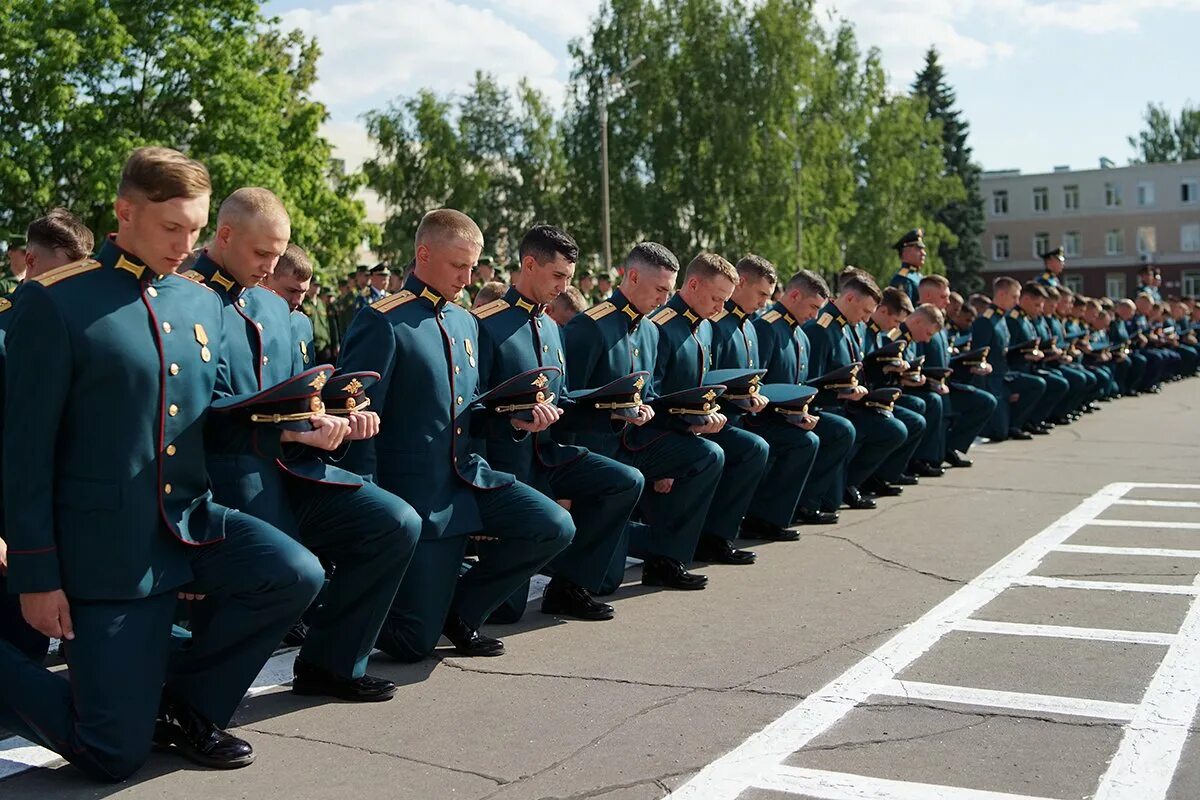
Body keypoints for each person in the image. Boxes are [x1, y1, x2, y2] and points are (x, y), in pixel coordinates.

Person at [0, 147, 324, 780]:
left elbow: (204, 420)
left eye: (196, 230)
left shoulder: (197, 300)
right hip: (105, 550)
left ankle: (180, 707)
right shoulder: (56, 302)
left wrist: (299, 419)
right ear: (125, 212)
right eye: (172, 227)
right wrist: (36, 576)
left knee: (293, 573)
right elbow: (26, 450)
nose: (186, 244)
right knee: (110, 755)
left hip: (188, 522)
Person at [191, 188, 420, 702]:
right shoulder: (184, 301)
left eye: (278, 255)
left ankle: (331, 663)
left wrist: (336, 413)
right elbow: (188, 416)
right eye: (262, 255)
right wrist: (290, 429)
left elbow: (296, 395)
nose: (271, 267)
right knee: (295, 570)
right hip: (223, 482)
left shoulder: (272, 309)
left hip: (288, 471)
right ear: (224, 235)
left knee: (395, 523)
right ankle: (192, 702)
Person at [337, 208, 574, 661]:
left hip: (469, 478)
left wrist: (515, 419)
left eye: (472, 266)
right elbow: (358, 417)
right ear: (423, 254)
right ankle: (337, 605)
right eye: (457, 266)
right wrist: (368, 507)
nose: (467, 277)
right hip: (417, 495)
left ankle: (459, 612)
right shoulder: (384, 321)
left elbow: (475, 409)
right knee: (412, 645)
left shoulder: (466, 321)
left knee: (553, 526)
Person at [474, 224, 643, 622]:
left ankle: (569, 586)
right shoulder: (485, 324)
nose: (564, 286)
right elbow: (471, 408)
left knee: (625, 481)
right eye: (558, 276)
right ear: (529, 265)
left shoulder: (551, 325)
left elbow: (562, 400)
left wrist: (613, 408)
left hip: (548, 456)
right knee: (505, 612)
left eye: (569, 277)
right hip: (506, 465)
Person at [564, 242, 724, 590]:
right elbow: (566, 402)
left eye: (669, 290)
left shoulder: (650, 330)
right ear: (632, 276)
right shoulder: (590, 327)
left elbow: (649, 395)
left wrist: (649, 408)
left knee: (707, 454)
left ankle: (666, 558)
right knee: (606, 582)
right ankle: (571, 579)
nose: (665, 299)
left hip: (634, 443)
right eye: (660, 290)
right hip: (595, 448)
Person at [0, 208, 97, 662]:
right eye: (66, 272)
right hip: (8, 520)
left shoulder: (86, 325)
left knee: (32, 652)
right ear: (33, 264)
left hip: (60, 517)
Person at [648, 253, 768, 564]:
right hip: (663, 431)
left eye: (725, 300)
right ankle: (667, 556)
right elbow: (652, 395)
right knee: (710, 455)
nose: (720, 308)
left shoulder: (704, 326)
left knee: (753, 448)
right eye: (716, 298)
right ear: (693, 285)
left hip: (697, 425)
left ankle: (715, 536)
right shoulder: (661, 326)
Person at [711, 255, 820, 535]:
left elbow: (755, 381)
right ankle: (722, 532)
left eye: (768, 295)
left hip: (746, 416)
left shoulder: (748, 324)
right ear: (741, 282)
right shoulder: (720, 323)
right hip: (727, 420)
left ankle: (765, 518)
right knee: (754, 448)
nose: (764, 302)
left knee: (807, 439)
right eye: (761, 294)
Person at [753, 269, 856, 523]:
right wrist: (791, 415)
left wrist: (802, 413)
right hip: (764, 419)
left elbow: (803, 385)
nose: (814, 315)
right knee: (806, 441)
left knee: (840, 430)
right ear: (795, 295)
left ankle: (806, 504)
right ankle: (767, 517)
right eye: (812, 307)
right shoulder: (767, 327)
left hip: (792, 417)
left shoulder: (800, 333)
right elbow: (756, 385)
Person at [802, 270, 908, 509]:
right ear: (849, 299)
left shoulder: (848, 325)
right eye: (865, 311)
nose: (866, 318)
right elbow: (812, 382)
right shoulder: (822, 328)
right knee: (846, 430)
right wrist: (839, 392)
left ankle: (849, 484)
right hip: (828, 408)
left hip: (848, 406)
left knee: (894, 429)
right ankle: (811, 500)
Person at [911, 274, 996, 467]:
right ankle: (925, 458)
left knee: (985, 402)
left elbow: (946, 361)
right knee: (936, 403)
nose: (948, 301)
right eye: (944, 297)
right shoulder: (918, 319)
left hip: (945, 385)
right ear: (929, 295)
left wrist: (969, 364)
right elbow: (915, 363)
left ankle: (950, 447)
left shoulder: (941, 322)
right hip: (926, 387)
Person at [860, 286, 936, 489]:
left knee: (918, 414)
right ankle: (866, 479)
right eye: (897, 321)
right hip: (862, 401)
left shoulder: (877, 333)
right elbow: (865, 369)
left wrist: (899, 374)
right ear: (883, 311)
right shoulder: (868, 332)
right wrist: (888, 370)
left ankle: (887, 473)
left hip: (875, 396)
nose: (898, 327)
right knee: (903, 425)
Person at [970, 277, 1047, 441]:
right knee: (999, 434)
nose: (1017, 301)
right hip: (992, 381)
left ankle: (1015, 424)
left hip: (1006, 375)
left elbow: (1005, 351)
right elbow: (977, 357)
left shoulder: (1002, 318)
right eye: (1014, 297)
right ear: (1002, 294)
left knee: (1037, 384)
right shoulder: (985, 321)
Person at [888, 227, 926, 305]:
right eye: (918, 248)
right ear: (905, 252)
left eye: (923, 249)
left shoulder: (919, 277)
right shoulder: (903, 279)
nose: (923, 253)